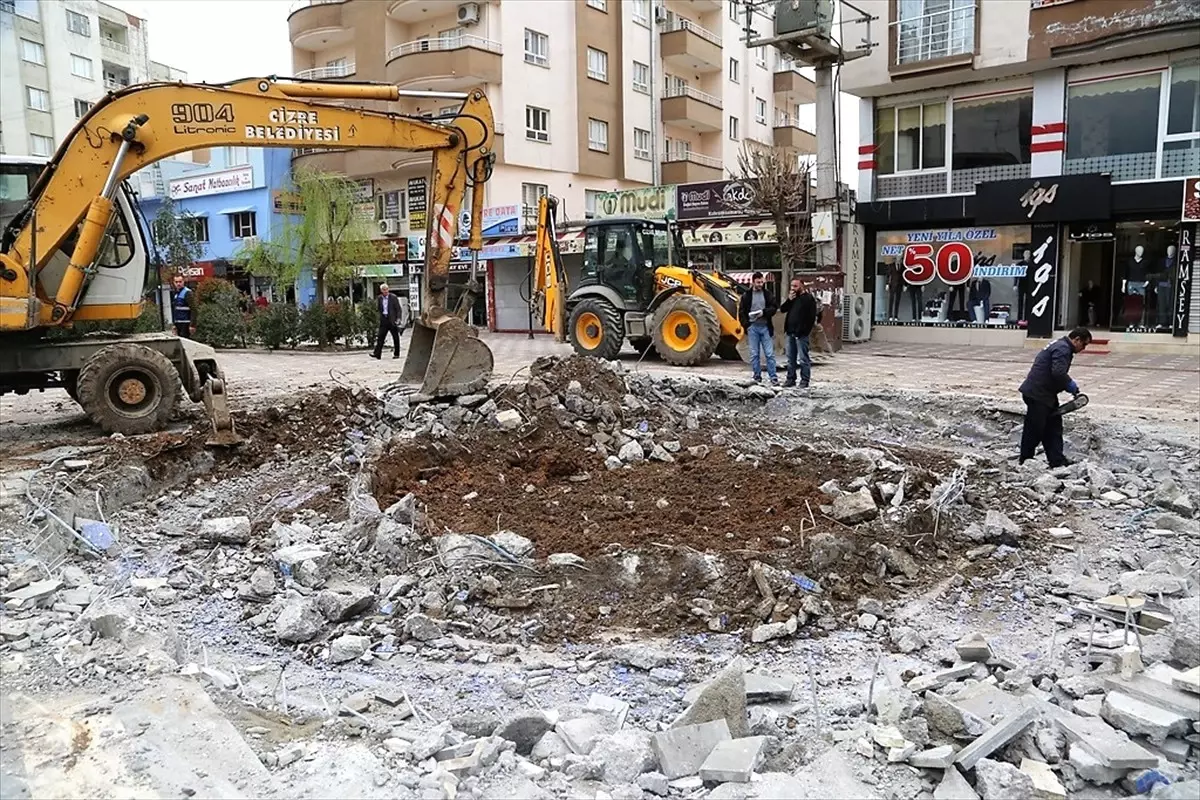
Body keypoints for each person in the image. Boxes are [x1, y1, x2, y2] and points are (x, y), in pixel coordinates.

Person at [1018, 327, 1092, 467]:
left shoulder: (1060, 345)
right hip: (1038, 394)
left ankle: (1057, 460)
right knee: (1035, 429)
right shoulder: (1063, 349)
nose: (1084, 348)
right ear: (1076, 340)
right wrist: (1070, 385)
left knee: (1053, 427)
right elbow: (1058, 373)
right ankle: (1025, 461)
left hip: (1044, 393)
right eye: (1084, 344)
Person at [738, 272, 778, 385]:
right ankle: (757, 376)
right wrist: (747, 325)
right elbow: (741, 312)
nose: (760, 284)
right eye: (758, 282)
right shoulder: (746, 296)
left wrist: (764, 312)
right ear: (753, 282)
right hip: (753, 327)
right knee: (754, 354)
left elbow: (774, 307)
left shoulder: (767, 294)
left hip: (765, 326)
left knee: (769, 354)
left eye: (762, 282)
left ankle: (773, 377)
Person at [779, 277, 816, 388]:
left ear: (802, 286)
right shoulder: (793, 298)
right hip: (790, 332)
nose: (793, 288)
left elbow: (811, 317)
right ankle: (790, 379)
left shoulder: (808, 299)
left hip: (801, 334)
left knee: (803, 358)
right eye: (792, 286)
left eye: (796, 286)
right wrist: (789, 300)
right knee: (790, 358)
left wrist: (804, 331)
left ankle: (804, 380)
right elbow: (782, 309)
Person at [371, 283, 404, 360]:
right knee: (380, 337)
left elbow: (398, 309)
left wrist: (398, 319)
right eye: (383, 290)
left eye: (386, 289)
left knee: (395, 337)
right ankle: (377, 354)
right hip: (384, 320)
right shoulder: (380, 298)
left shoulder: (393, 297)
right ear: (381, 291)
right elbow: (379, 308)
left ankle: (396, 353)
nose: (385, 291)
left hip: (392, 320)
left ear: (388, 289)